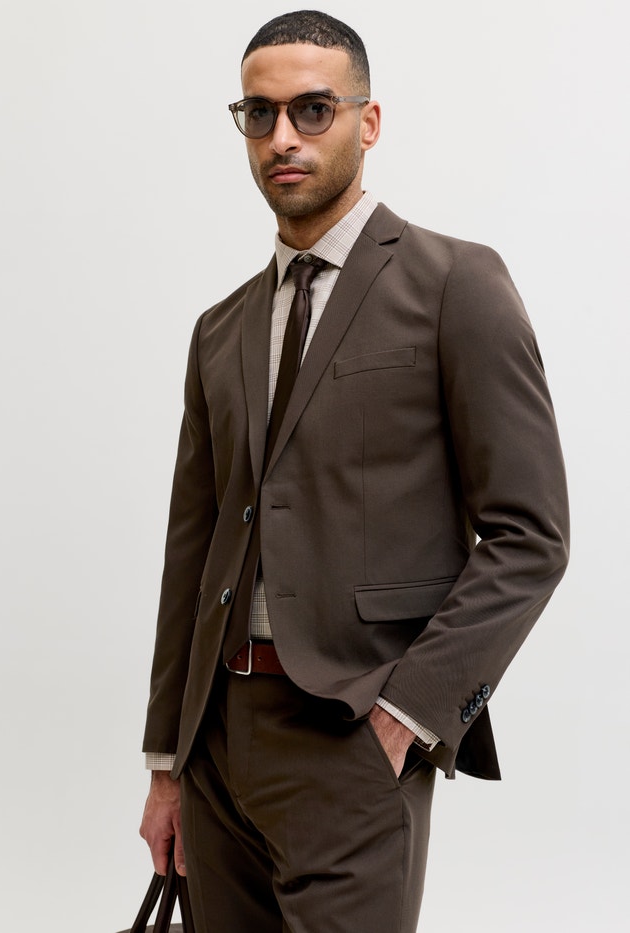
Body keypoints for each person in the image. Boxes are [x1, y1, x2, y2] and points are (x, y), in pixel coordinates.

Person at [139, 10, 570, 932]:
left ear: (367, 122)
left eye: (312, 109)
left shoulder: (457, 284)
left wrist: (409, 716)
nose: (282, 137)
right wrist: (167, 763)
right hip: (214, 746)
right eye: (259, 113)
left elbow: (532, 536)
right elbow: (193, 553)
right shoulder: (220, 327)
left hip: (352, 733)